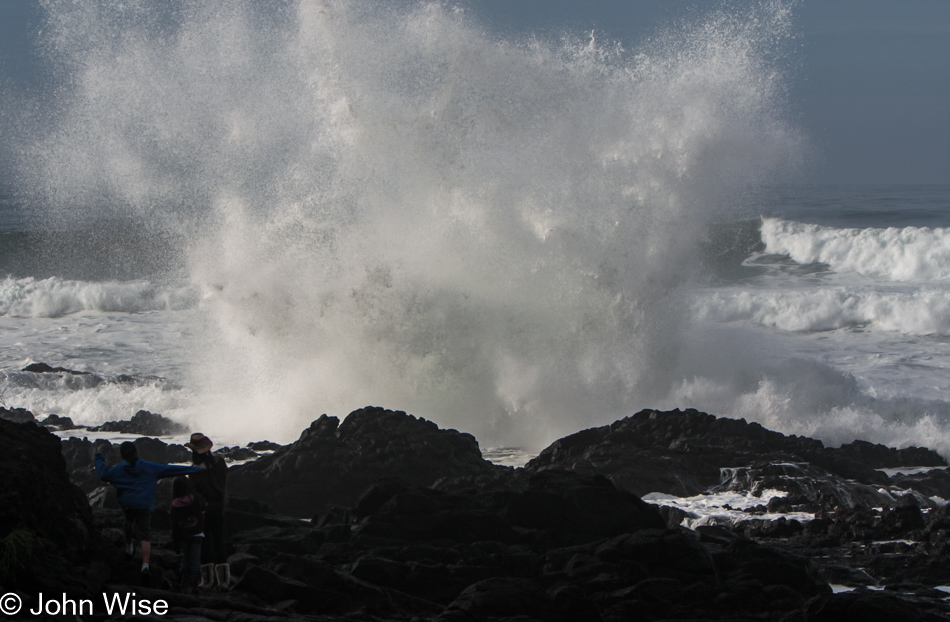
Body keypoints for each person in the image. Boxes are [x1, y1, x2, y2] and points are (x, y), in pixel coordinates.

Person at [94, 441, 201, 586]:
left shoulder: (118, 470)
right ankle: (145, 566)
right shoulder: (149, 467)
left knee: (128, 524)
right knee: (144, 536)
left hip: (128, 505)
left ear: (121, 455)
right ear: (137, 453)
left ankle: (129, 547)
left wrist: (99, 458)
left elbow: (102, 474)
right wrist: (196, 470)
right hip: (144, 506)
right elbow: (171, 470)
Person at [185, 432, 230, 589]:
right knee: (219, 541)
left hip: (203, 510)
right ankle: (224, 581)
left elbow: (194, 491)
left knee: (204, 543)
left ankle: (208, 581)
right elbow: (224, 479)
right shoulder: (219, 462)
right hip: (219, 507)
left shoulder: (195, 470)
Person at [170, 476, 207, 593]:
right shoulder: (196, 499)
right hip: (197, 533)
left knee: (186, 558)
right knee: (195, 559)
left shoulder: (175, 505)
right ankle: (196, 584)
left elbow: (174, 526)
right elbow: (204, 507)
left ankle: (184, 582)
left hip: (183, 535)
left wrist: (176, 544)